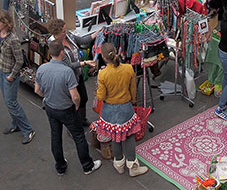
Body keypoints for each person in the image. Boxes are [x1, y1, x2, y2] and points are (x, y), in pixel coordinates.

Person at [36, 40, 101, 176]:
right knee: (79, 136)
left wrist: (47, 97)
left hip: (50, 108)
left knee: (56, 136)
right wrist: (76, 106)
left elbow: (37, 90)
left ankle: (60, 166)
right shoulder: (67, 72)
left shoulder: (42, 69)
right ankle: (87, 165)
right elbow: (75, 96)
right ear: (62, 52)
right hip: (66, 109)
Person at [92, 42, 147, 177]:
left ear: (104, 58)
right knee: (129, 137)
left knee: (115, 137)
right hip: (126, 107)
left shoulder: (103, 74)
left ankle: (119, 164)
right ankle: (133, 166)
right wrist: (132, 100)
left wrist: (98, 93)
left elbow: (102, 96)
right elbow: (133, 89)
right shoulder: (128, 69)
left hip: (109, 109)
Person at [0, 11, 36, 144]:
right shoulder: (0, 34)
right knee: (8, 101)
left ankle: (28, 130)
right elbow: (0, 50)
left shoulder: (13, 40)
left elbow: (19, 60)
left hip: (8, 74)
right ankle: (16, 124)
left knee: (12, 103)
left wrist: (12, 75)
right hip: (0, 70)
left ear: (5, 24)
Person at [47, 18, 91, 126]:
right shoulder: (54, 45)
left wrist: (96, 34)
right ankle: (74, 124)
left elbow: (81, 41)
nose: (66, 32)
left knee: (83, 98)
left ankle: (82, 119)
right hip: (68, 78)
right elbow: (68, 66)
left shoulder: (68, 36)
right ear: (56, 33)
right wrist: (84, 63)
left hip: (77, 74)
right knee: (73, 102)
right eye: (63, 31)